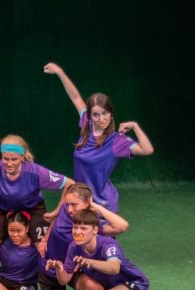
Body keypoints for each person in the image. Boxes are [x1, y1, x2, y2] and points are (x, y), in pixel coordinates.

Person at [43, 62, 154, 214]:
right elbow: (75, 97)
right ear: (90, 116)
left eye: (105, 113)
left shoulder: (117, 141)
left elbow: (147, 150)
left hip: (101, 202)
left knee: (95, 237)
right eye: (96, 114)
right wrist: (60, 72)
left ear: (111, 114)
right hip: (79, 198)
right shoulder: (85, 125)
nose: (101, 118)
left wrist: (135, 126)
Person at [0, 134, 75, 272]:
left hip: (33, 210)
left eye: (14, 159)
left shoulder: (36, 172)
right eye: (5, 159)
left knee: (46, 251)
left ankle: (44, 289)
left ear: (22, 157)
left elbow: (69, 184)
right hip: (3, 211)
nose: (9, 163)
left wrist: (57, 210)